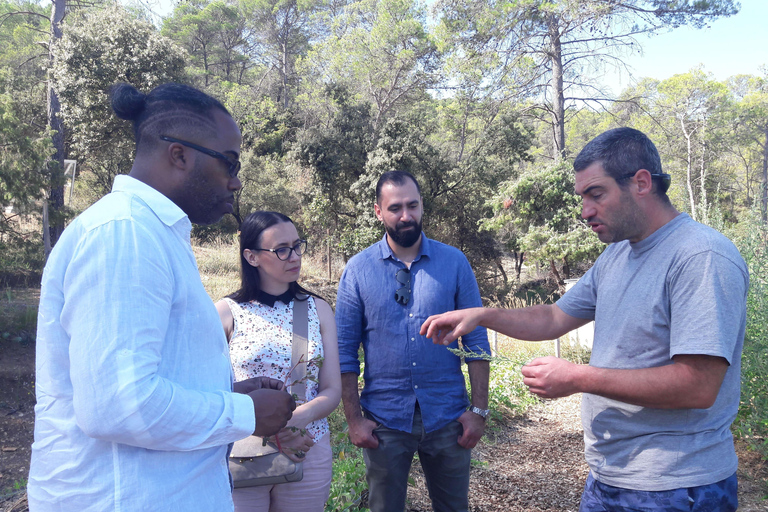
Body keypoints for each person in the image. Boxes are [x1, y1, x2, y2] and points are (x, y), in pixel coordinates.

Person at [421, 127, 748, 512]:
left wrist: (577, 377)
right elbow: (554, 316)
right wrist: (483, 315)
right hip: (608, 478)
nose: (585, 211)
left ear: (641, 182)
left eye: (596, 194)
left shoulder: (701, 256)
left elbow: (698, 386)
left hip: (678, 487)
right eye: (583, 198)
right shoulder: (617, 255)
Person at [28, 83, 296, 512]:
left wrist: (226, 390)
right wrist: (242, 414)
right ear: (179, 154)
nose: (236, 180)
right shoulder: (124, 233)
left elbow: (142, 375)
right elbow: (118, 406)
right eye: (229, 162)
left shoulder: (151, 233)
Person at [335, 170, 491, 512]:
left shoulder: (454, 263)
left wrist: (478, 411)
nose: (405, 215)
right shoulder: (358, 270)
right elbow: (344, 350)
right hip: (385, 420)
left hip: (448, 416)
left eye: (412, 205)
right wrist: (354, 419)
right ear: (379, 212)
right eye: (395, 208)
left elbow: (476, 340)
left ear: (422, 206)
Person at [215, 211, 341, 511]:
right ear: (252, 256)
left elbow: (332, 389)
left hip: (306, 447)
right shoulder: (225, 312)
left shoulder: (317, 309)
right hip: (243, 452)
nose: (294, 256)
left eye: (298, 246)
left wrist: (296, 422)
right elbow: (210, 388)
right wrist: (271, 427)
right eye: (281, 249)